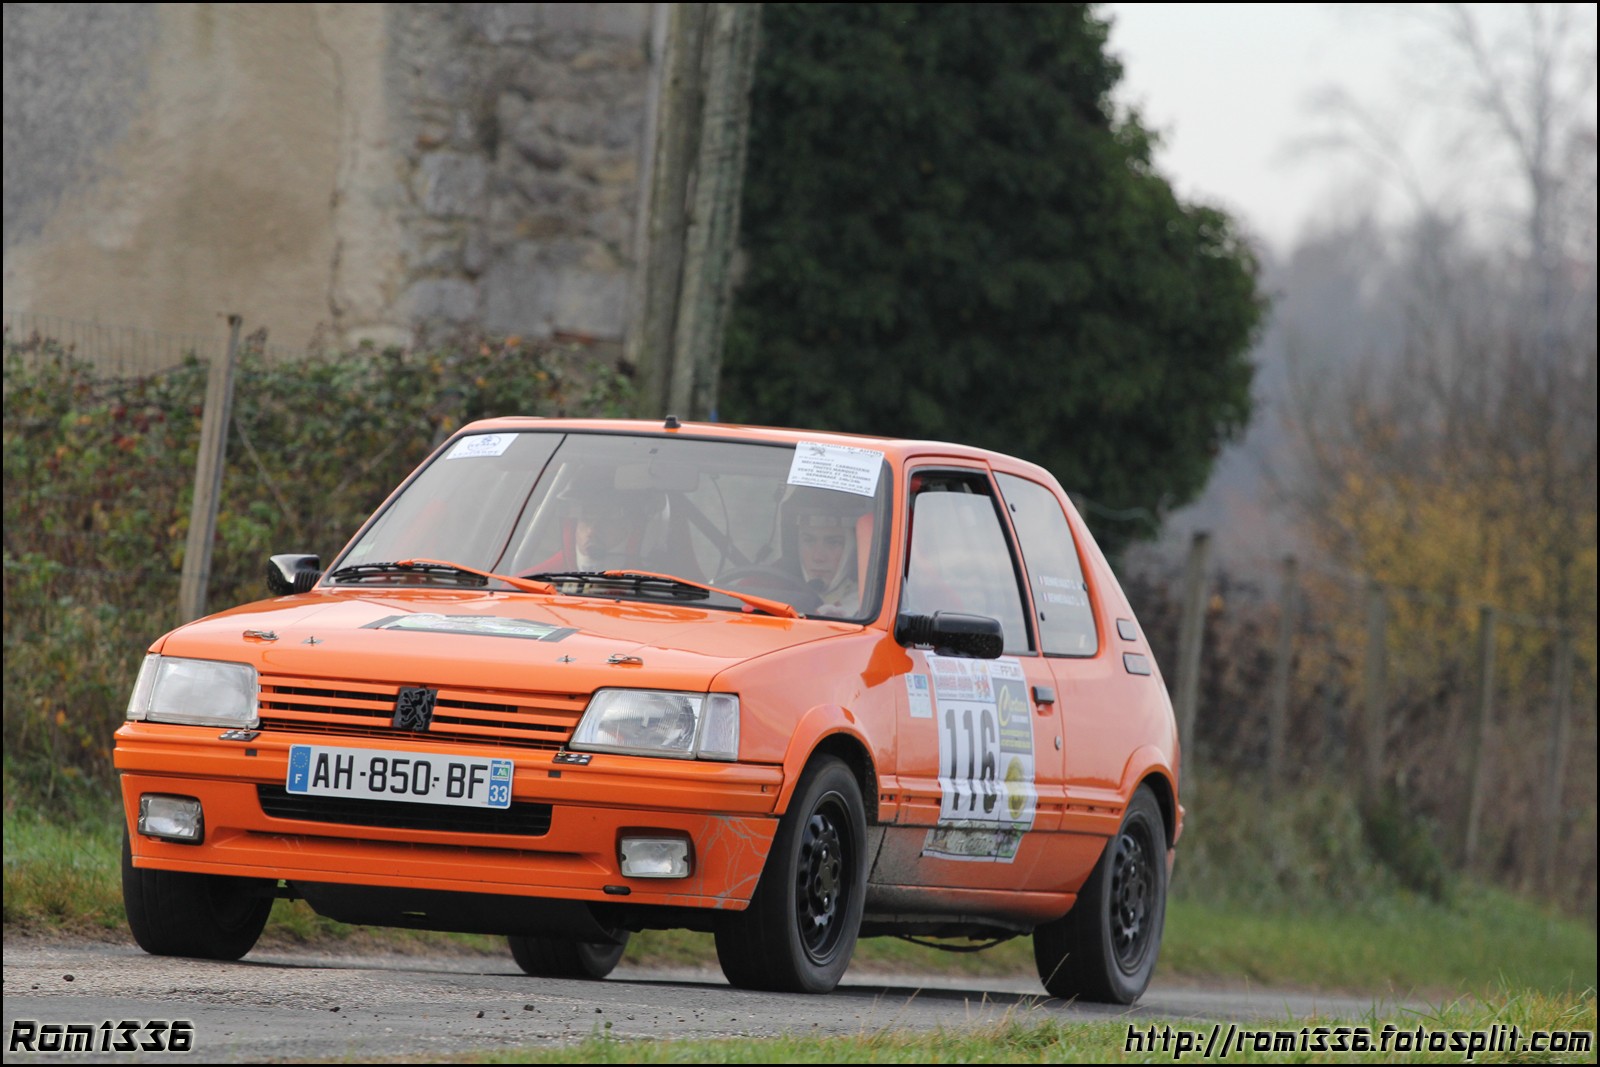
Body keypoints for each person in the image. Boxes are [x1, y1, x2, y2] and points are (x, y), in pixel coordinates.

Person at [788, 489, 871, 617]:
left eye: (833, 543)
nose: (818, 557)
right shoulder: (773, 591)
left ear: (851, 549)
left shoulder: (869, 606)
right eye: (809, 541)